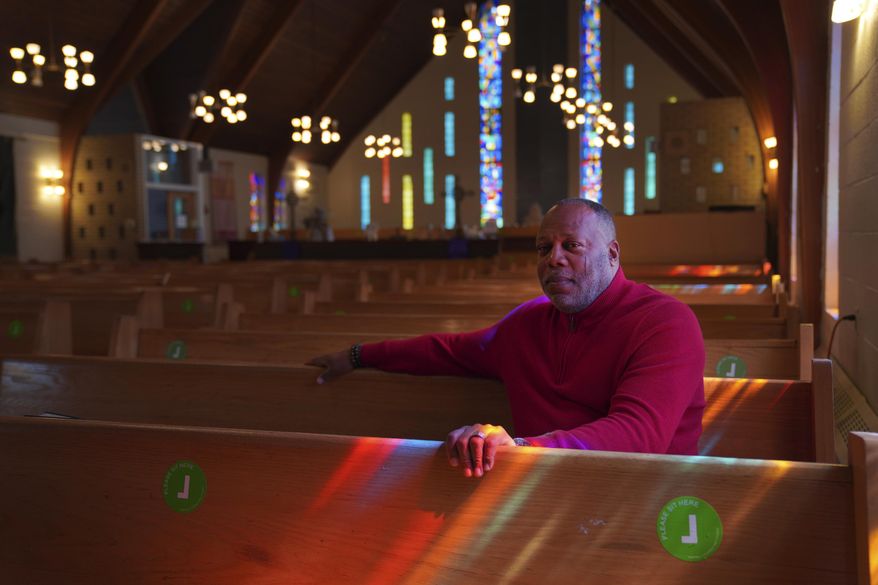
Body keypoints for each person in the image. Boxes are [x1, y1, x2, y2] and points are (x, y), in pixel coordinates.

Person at [308, 198, 705, 478]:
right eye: (543, 248)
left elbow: (639, 434)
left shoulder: (664, 323)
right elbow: (448, 351)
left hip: (644, 499)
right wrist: (358, 356)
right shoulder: (527, 324)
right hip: (537, 491)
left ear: (613, 254)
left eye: (571, 246)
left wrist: (522, 447)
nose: (554, 258)